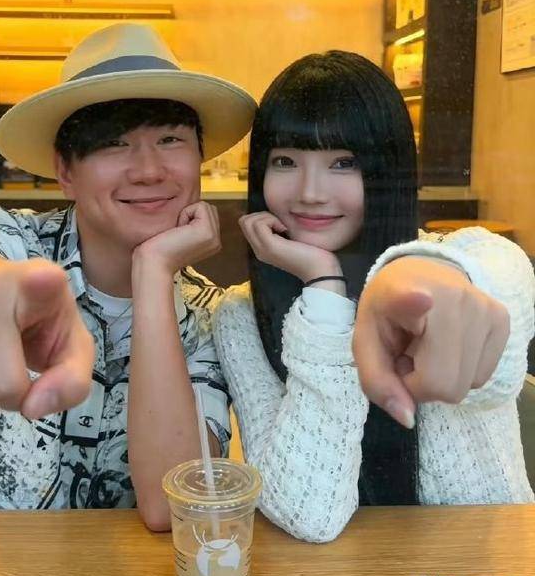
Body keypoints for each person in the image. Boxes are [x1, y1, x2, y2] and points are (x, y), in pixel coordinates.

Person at [0, 23, 256, 527]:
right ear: (65, 172)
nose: (149, 170)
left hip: (117, 573)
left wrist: (153, 272)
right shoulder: (2, 239)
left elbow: (171, 507)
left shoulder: (210, 315)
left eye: (170, 139)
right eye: (113, 144)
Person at [212, 50, 534, 542]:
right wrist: (324, 286)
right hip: (341, 572)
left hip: (474, 568)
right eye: (285, 161)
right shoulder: (239, 315)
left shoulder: (471, 259)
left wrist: (422, 275)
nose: (310, 192)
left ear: (386, 169)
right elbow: (306, 514)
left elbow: (495, 347)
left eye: (343, 162)